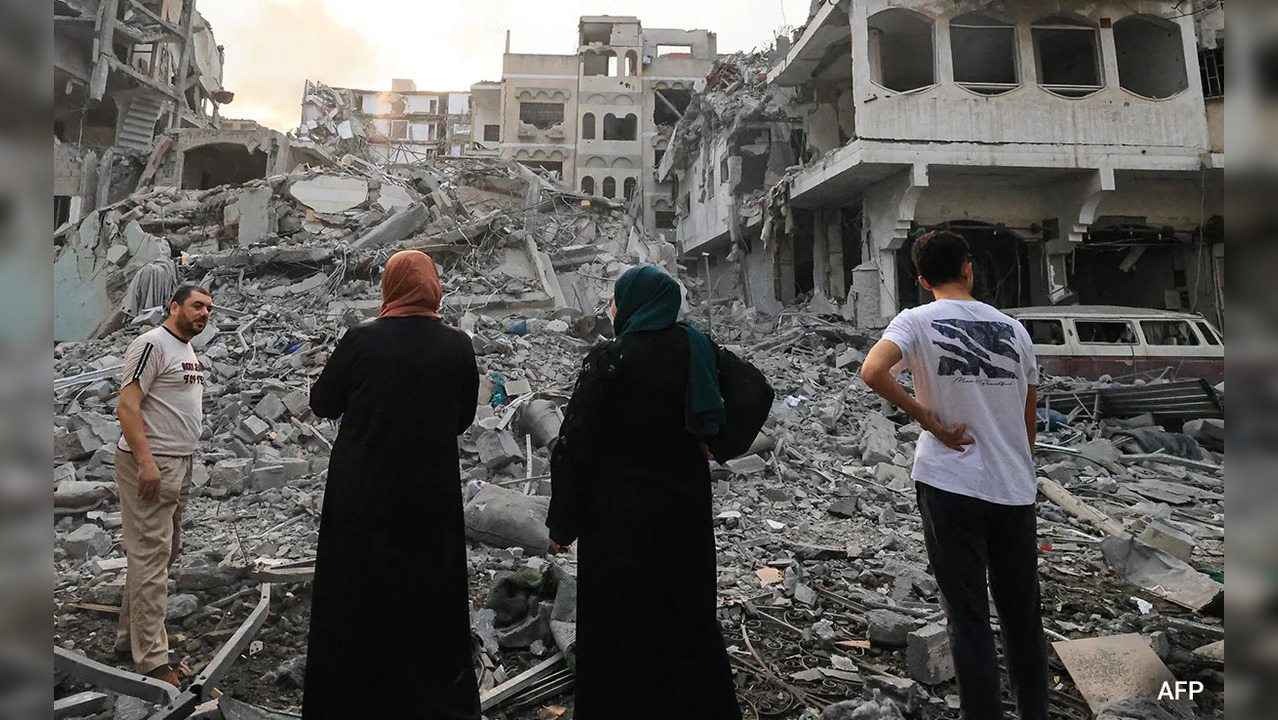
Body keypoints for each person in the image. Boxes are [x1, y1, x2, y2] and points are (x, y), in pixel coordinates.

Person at [860, 231, 1047, 720]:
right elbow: (1028, 422)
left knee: (967, 617)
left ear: (922, 280)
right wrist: (1019, 471)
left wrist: (929, 421)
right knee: (1023, 618)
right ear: (969, 269)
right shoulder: (1014, 330)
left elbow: (873, 371)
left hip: (950, 484)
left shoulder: (916, 320)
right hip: (1013, 489)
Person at [547, 265, 741, 720]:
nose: (613, 309)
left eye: (616, 300)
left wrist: (563, 523)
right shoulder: (697, 348)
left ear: (632, 303)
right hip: (682, 510)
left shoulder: (610, 360)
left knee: (618, 624)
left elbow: (575, 443)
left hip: (618, 519)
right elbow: (746, 396)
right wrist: (718, 443)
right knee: (686, 615)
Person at [302, 250, 481, 720]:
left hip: (363, 490)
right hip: (429, 491)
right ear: (432, 286)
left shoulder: (361, 340)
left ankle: (352, 702)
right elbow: (464, 418)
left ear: (390, 286)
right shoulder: (457, 345)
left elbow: (322, 402)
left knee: (357, 590)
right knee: (428, 594)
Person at [114, 284, 213, 686]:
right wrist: (146, 463)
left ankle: (128, 640)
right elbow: (127, 404)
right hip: (154, 464)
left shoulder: (185, 349)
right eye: (196, 306)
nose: (204, 313)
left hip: (179, 463)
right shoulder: (152, 344)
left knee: (157, 554)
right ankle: (153, 661)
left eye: (208, 308)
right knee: (152, 557)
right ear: (173, 307)